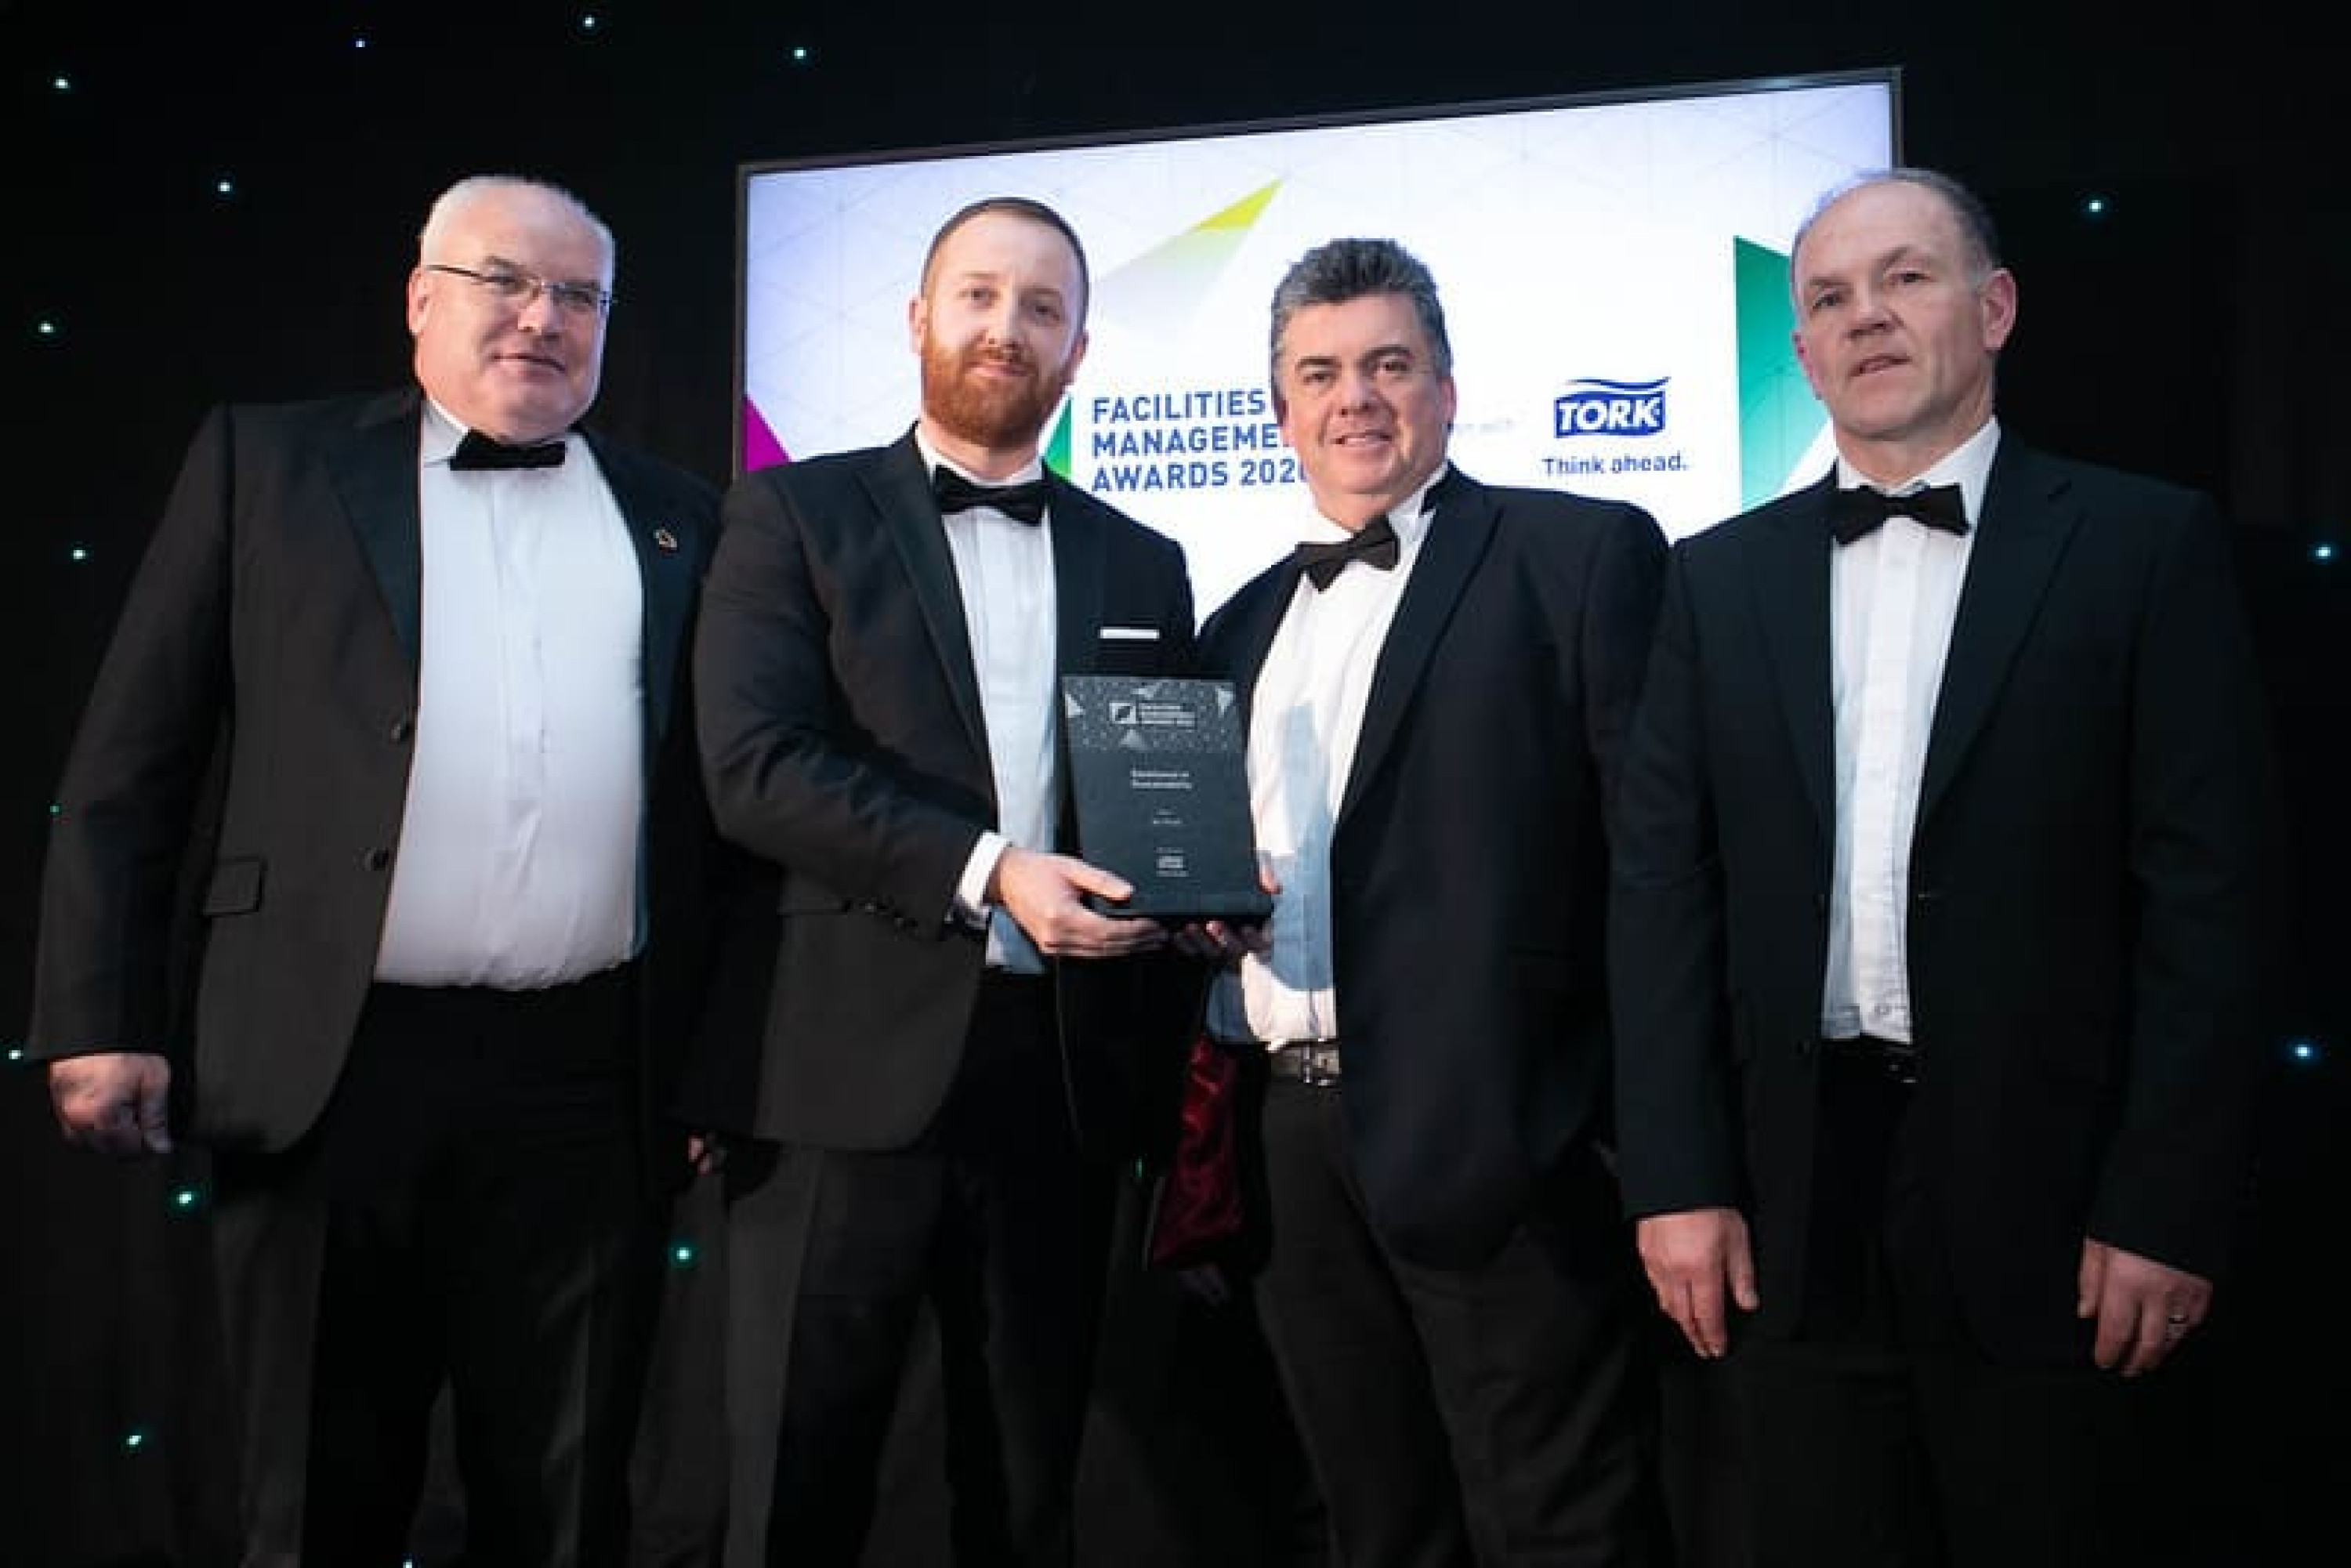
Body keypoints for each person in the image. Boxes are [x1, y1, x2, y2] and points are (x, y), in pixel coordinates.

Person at [26, 172, 742, 1566]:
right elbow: (129, 765)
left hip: (591, 1082)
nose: (542, 318)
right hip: (327, 1066)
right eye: (503, 282)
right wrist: (99, 1016)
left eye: (579, 296)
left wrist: (709, 1058)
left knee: (569, 1504)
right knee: (315, 1499)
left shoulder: (682, 515)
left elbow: (719, 816)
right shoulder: (268, 465)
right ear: (421, 298)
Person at [1607, 166, 2280, 1567]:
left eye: (1905, 277)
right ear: (1801, 355)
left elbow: (2209, 908)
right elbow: (1662, 895)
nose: (1866, 315)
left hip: (2060, 1207)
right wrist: (1675, 1175)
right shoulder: (1712, 578)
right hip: (1788, 1204)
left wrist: (2166, 1198)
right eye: (1829, 298)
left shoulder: (2145, 546)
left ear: (1997, 307)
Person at [685, 194, 1201, 1566]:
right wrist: (990, 868)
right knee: (795, 1493)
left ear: (1080, 349)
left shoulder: (1145, 559)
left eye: (1042, 306)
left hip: (1061, 1087)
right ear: (919, 318)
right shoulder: (791, 512)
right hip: (833, 1079)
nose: (1006, 327)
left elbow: (1154, 798)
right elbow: (752, 766)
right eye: (978, 294)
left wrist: (1199, 886)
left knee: (1027, 1498)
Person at [1179, 235, 1671, 1566]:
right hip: (1286, 1138)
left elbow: (1657, 873)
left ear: (1447, 390)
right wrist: (1205, 917)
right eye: (1320, 373)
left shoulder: (1580, 556)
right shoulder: (1234, 627)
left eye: (1390, 364)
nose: (1356, 398)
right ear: (1280, 409)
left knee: (1557, 1523)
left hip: (1504, 1134)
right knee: (1372, 1521)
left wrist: (1626, 1138)